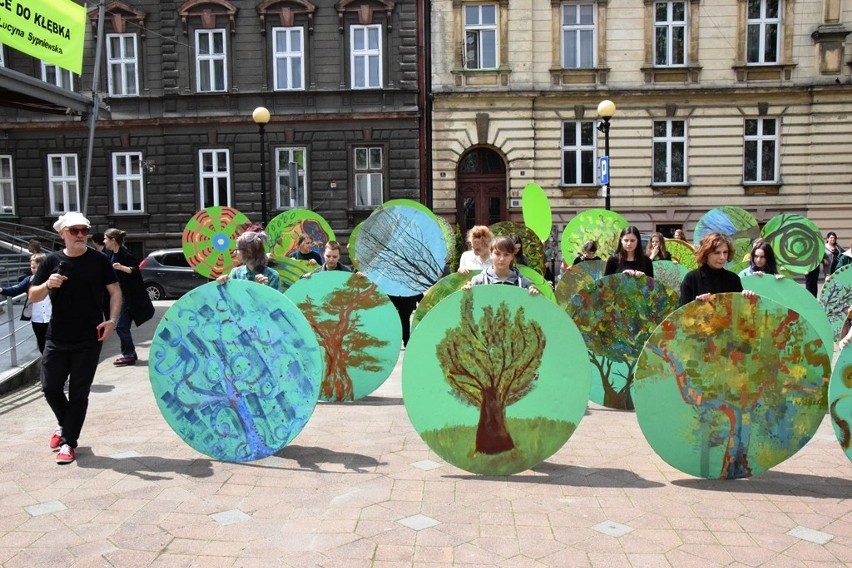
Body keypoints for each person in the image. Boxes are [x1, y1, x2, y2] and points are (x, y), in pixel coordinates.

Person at [29, 212, 121, 465]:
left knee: (79, 394)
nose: (80, 235)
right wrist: (48, 284)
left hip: (89, 338)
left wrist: (112, 320)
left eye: (84, 230)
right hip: (56, 336)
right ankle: (64, 423)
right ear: (62, 234)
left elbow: (115, 292)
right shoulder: (50, 261)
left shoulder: (99, 261)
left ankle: (69, 441)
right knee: (50, 388)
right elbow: (33, 296)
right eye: (74, 231)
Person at [103, 228, 155, 366]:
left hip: (128, 297)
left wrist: (121, 267)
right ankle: (130, 353)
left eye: (106, 238)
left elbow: (135, 270)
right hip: (119, 295)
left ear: (113, 240)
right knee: (121, 326)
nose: (104, 241)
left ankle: (129, 355)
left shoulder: (125, 253)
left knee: (121, 326)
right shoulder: (109, 253)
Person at [679, 232, 757, 306]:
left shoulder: (733, 279)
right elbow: (680, 314)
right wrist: (696, 304)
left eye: (725, 252)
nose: (722, 257)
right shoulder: (692, 279)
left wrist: (747, 299)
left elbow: (739, 313)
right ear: (706, 253)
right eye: (717, 253)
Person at [1, 253, 52, 353]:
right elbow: (16, 289)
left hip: (52, 318)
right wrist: (2, 290)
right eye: (33, 267)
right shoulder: (29, 280)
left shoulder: (52, 280)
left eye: (39, 267)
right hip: (37, 319)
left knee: (53, 344)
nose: (35, 270)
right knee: (42, 345)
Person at [464, 236, 540, 296]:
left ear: (512, 256)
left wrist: (534, 295)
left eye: (506, 254)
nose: (502, 259)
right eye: (497, 254)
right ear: (490, 254)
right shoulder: (478, 281)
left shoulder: (524, 284)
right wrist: (466, 292)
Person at [218, 230, 282, 291]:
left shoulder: (272, 276)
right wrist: (222, 284)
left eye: (237, 249)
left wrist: (264, 289)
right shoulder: (236, 273)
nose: (234, 252)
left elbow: (275, 301)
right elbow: (229, 298)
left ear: (248, 252)